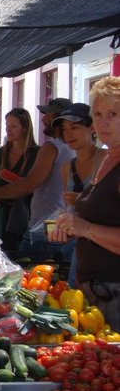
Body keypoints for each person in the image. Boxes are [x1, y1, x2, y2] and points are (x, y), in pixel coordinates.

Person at [49, 77, 120, 328]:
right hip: (96, 289)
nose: (103, 122)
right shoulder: (110, 160)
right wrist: (72, 222)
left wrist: (85, 229)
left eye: (112, 113)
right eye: (98, 113)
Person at [0, 98, 74, 260]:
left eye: (48, 114)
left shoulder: (51, 147)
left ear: (60, 120)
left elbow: (29, 184)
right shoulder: (71, 149)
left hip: (43, 228)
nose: (44, 119)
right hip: (56, 227)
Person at [51, 103, 107, 287]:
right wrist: (61, 223)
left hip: (106, 250)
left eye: (74, 127)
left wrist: (83, 201)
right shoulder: (67, 167)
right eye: (65, 129)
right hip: (78, 250)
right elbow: (69, 210)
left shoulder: (108, 160)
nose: (68, 134)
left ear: (92, 128)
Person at [0, 108, 40, 253]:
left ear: (25, 128)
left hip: (27, 216)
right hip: (2, 214)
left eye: (13, 126)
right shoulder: (1, 153)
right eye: (6, 125)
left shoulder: (37, 153)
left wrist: (21, 184)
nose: (8, 130)